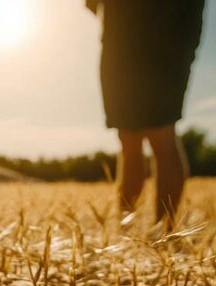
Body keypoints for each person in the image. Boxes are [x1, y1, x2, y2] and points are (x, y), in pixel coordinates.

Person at [88, 0, 205, 229]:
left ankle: (164, 231)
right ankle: (125, 223)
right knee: (128, 138)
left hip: (164, 42)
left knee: (160, 134)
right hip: (120, 47)